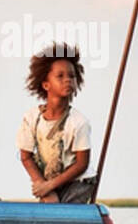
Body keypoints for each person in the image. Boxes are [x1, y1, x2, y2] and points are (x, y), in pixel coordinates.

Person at [16, 42, 97, 203]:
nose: (67, 80)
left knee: (62, 214)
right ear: (46, 84)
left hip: (78, 181)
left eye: (71, 76)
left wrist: (50, 185)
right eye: (60, 76)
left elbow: (82, 164)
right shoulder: (31, 118)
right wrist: (42, 186)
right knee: (48, 209)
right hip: (50, 180)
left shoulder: (78, 122)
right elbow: (26, 157)